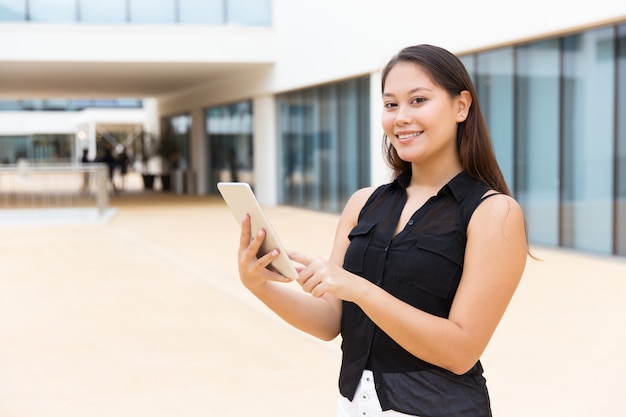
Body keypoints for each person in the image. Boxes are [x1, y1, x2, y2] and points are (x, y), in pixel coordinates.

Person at [237, 44, 528, 417]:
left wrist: (357, 288)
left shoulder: (493, 213)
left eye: (418, 100)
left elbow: (461, 351)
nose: (401, 117)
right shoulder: (363, 204)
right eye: (391, 105)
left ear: (462, 106)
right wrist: (259, 284)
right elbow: (330, 321)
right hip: (354, 405)